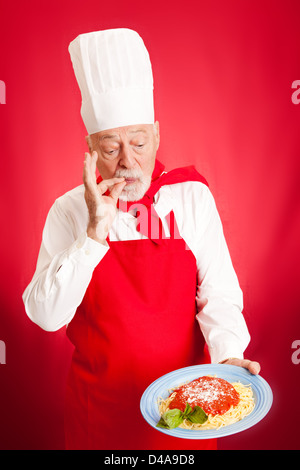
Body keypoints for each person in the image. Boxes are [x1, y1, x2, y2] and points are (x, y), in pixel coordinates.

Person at [22, 28, 260, 450]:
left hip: (188, 412)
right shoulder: (69, 211)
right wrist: (94, 233)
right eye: (111, 147)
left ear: (157, 134)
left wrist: (226, 359)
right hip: (100, 417)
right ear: (90, 147)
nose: (128, 162)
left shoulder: (191, 197)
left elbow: (219, 295)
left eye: (139, 142)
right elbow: (46, 316)